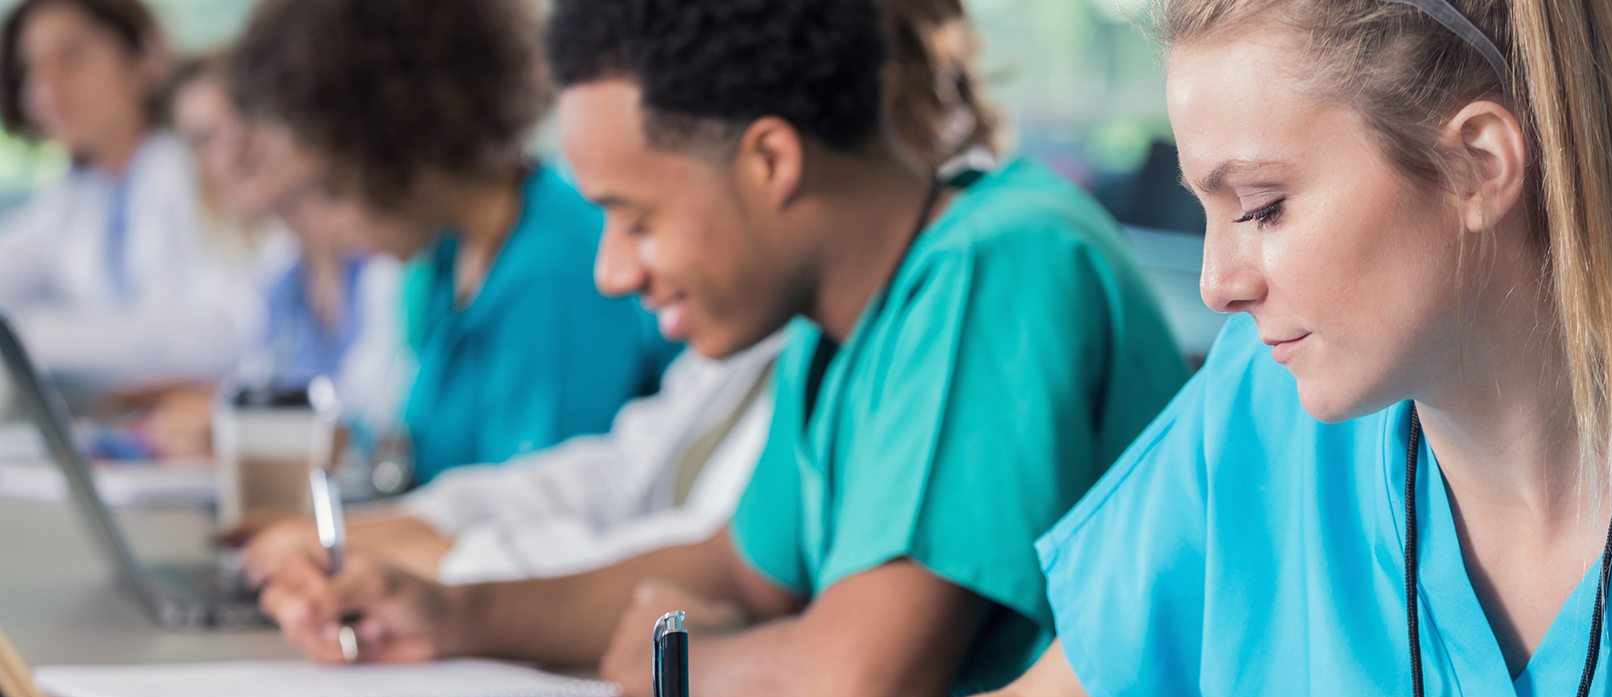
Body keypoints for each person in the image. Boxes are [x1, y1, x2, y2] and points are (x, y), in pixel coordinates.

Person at [582, 0, 1612, 697]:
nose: (1217, 281)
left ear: (1480, 164)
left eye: (1265, 204)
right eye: (1206, 207)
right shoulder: (1268, 413)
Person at [253, 0, 1193, 697]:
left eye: (636, 217)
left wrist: (665, 662)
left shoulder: (1002, 264)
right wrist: (454, 613)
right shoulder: (836, 322)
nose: (612, 270)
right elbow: (742, 566)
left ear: (772, 161)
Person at [227, 0, 1020, 589]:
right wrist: (382, 540)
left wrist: (428, 569)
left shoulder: (986, 270)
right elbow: (635, 478)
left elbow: (784, 633)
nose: (613, 273)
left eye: (636, 218)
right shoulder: (798, 320)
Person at [226, 0, 681, 483]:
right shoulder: (444, 260)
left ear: (402, 152)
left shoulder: (558, 267)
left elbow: (536, 509)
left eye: (334, 191)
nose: (328, 226)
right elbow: (425, 445)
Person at [148, 53, 407, 459]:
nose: (233, 149)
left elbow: (383, 417)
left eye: (241, 115)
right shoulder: (278, 282)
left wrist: (256, 430)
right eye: (204, 139)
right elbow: (263, 392)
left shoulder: (389, 252)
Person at [0, 0, 258, 384]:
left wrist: (28, 336)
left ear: (144, 58)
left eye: (71, 57)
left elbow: (224, 331)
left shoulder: (195, 168)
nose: (45, 88)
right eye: (31, 70)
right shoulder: (76, 194)